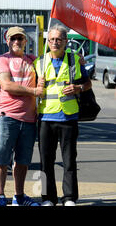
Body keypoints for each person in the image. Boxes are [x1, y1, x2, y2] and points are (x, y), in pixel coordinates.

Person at [34, 24, 91, 206]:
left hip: (68, 118)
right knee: (45, 163)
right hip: (45, 118)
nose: (55, 42)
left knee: (69, 161)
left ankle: (69, 198)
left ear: (66, 42)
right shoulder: (38, 62)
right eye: (51, 39)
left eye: (59, 39)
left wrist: (78, 88)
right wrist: (38, 87)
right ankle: (47, 198)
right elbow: (32, 89)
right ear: (47, 42)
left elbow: (88, 83)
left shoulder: (75, 59)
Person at [0, 26, 44, 206]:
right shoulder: (2, 60)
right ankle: (0, 196)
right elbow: (6, 85)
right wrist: (33, 91)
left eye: (20, 38)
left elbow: (53, 62)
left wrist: (77, 60)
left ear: (25, 41)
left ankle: (19, 196)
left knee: (22, 161)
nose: (17, 42)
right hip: (8, 116)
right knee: (2, 158)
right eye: (13, 38)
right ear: (7, 41)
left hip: (29, 119)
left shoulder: (34, 60)